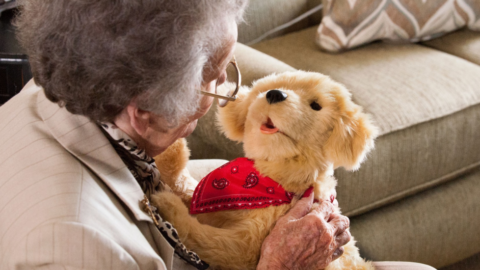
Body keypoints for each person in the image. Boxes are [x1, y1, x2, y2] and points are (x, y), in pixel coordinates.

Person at [0, 0, 436, 269]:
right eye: (214, 78)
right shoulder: (78, 250)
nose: (227, 92)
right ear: (145, 114)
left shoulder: (56, 88)